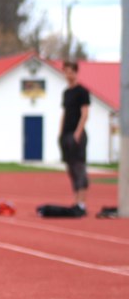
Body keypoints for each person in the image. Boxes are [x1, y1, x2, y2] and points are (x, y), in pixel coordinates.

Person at [58, 60, 90, 214]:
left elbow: (85, 113)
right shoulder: (66, 93)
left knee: (79, 168)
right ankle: (76, 200)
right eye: (65, 72)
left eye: (70, 71)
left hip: (77, 135)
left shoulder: (82, 91)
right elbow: (64, 114)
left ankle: (82, 203)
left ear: (76, 72)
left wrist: (78, 132)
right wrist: (60, 132)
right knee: (70, 168)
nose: (68, 74)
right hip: (66, 134)